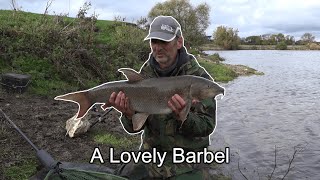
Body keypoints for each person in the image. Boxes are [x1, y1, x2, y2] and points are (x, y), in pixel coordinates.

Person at [108, 16, 217, 180]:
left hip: (187, 158)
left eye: (163, 42)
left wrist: (184, 117)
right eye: (154, 42)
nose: (157, 48)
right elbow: (134, 127)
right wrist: (129, 115)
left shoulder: (199, 79)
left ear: (179, 42)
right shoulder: (145, 75)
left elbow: (207, 126)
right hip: (151, 154)